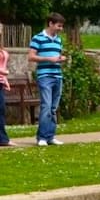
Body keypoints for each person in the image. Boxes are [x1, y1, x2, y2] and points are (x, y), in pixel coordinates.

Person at [28, 13, 67, 146]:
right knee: (46, 106)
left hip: (57, 75)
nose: (61, 29)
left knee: (53, 108)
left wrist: (61, 59)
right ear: (50, 23)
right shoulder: (38, 38)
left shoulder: (58, 40)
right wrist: (48, 59)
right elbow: (31, 56)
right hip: (44, 76)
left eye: (62, 26)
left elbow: (58, 55)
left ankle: (50, 136)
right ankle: (42, 138)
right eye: (59, 26)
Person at [0, 39, 12, 147]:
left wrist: (5, 81)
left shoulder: (2, 50)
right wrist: (4, 72)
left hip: (1, 82)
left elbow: (2, 65)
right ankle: (3, 139)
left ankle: (3, 139)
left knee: (1, 110)